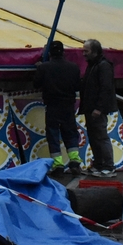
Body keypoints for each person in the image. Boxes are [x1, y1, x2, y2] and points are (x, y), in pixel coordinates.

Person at [33, 40, 82, 176]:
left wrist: (39, 68)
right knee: (70, 133)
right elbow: (78, 86)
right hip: (68, 106)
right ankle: (74, 162)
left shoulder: (44, 68)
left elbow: (36, 84)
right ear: (63, 52)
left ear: (49, 53)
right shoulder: (74, 67)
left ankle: (58, 165)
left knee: (53, 135)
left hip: (52, 106)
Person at [79, 39, 118, 178]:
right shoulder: (93, 65)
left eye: (86, 51)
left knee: (101, 137)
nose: (83, 54)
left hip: (96, 109)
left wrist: (99, 108)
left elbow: (105, 88)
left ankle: (109, 166)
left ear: (94, 51)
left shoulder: (103, 66)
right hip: (90, 108)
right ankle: (99, 164)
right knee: (94, 137)